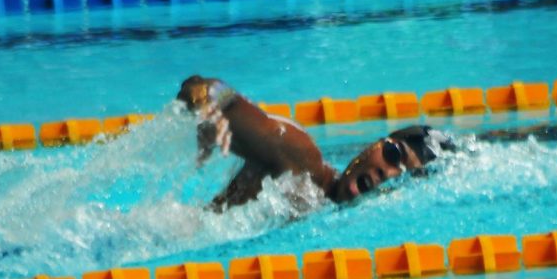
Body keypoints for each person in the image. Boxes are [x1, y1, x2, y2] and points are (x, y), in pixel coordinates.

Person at [176, 75, 454, 212]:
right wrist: (207, 101)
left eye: (402, 176)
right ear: (374, 146)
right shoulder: (300, 156)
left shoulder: (323, 204)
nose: (389, 173)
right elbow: (204, 87)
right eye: (393, 155)